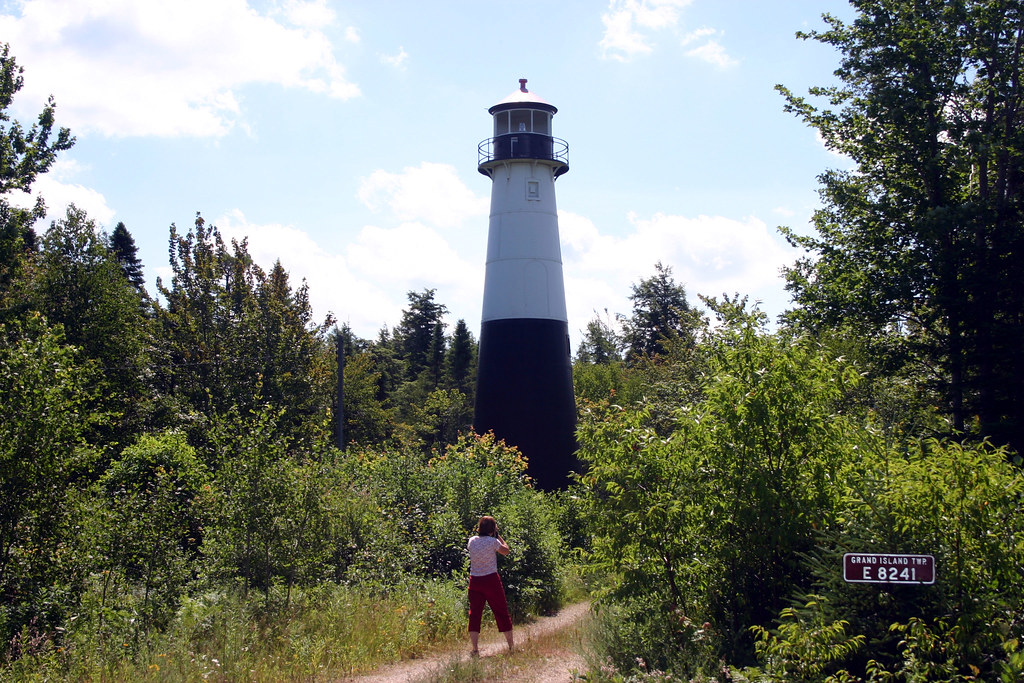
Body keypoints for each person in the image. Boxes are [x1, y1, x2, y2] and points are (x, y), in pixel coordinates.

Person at [467, 515, 513, 655]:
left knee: (474, 614)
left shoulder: (472, 541)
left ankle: (475, 648)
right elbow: (506, 550)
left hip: (475, 580)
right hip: (491, 580)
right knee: (501, 611)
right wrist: (499, 537)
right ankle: (511, 646)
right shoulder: (493, 542)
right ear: (493, 529)